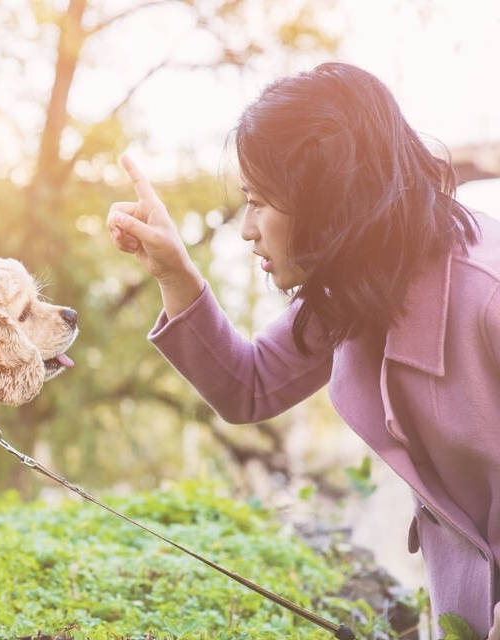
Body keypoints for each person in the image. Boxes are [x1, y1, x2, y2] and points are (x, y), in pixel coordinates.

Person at [106, 62, 500, 637]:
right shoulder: (358, 283)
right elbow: (252, 385)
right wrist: (174, 271)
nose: (246, 229)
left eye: (259, 201)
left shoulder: (486, 291)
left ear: (329, 200)